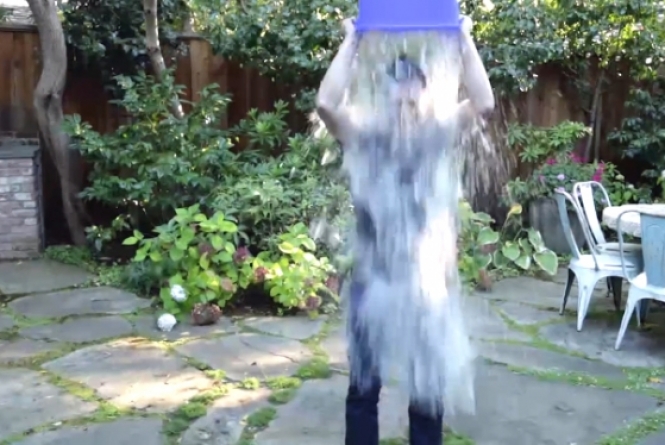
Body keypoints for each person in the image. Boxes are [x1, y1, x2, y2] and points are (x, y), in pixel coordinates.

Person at [316, 16, 494, 445]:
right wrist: (352, 40)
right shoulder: (365, 135)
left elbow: (483, 103)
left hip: (426, 286)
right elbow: (326, 105)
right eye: (397, 93)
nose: (405, 103)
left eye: (413, 93)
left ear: (424, 94)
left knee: (427, 393)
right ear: (385, 94)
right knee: (363, 390)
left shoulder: (437, 134)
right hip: (372, 281)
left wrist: (465, 38)